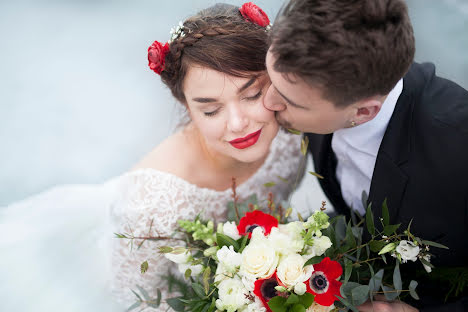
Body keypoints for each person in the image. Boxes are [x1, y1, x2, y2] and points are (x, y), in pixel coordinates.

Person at [0, 3, 303, 311]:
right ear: (187, 106)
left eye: (252, 95)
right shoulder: (149, 206)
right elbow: (138, 304)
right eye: (211, 110)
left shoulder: (291, 132)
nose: (238, 123)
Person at [263, 0, 468, 311]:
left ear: (362, 112)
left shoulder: (458, 148)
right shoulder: (317, 80)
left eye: (290, 101)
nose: (268, 101)